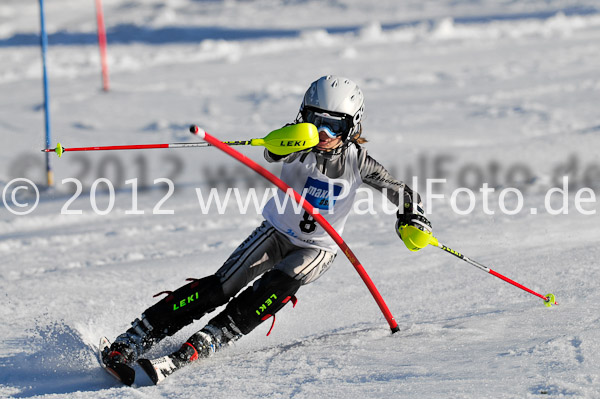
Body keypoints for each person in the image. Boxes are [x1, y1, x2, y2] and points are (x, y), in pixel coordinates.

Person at [101, 75, 433, 384]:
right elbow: (273, 151)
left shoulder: (358, 162)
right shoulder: (298, 141)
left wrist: (412, 218)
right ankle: (134, 338)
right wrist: (292, 138)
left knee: (273, 288)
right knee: (220, 287)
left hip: (316, 248)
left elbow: (401, 192)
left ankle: (202, 343)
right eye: (315, 121)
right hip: (275, 231)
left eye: (334, 126)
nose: (323, 134)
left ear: (351, 127)